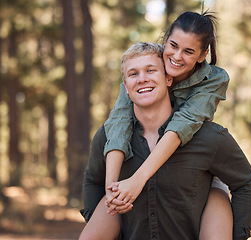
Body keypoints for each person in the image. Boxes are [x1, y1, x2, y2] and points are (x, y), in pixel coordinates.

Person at [79, 42, 251, 240]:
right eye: (133, 74)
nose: (142, 79)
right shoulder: (107, 137)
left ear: (168, 79)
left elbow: (245, 183)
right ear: (126, 88)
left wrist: (237, 235)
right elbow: (93, 180)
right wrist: (98, 220)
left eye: (150, 70)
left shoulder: (209, 137)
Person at [95, 11, 234, 238]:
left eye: (188, 51)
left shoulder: (215, 79)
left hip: (194, 169)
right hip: (149, 159)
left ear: (203, 55)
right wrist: (112, 188)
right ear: (165, 39)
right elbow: (119, 122)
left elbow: (182, 124)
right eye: (173, 45)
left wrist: (138, 180)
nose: (177, 57)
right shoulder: (147, 69)